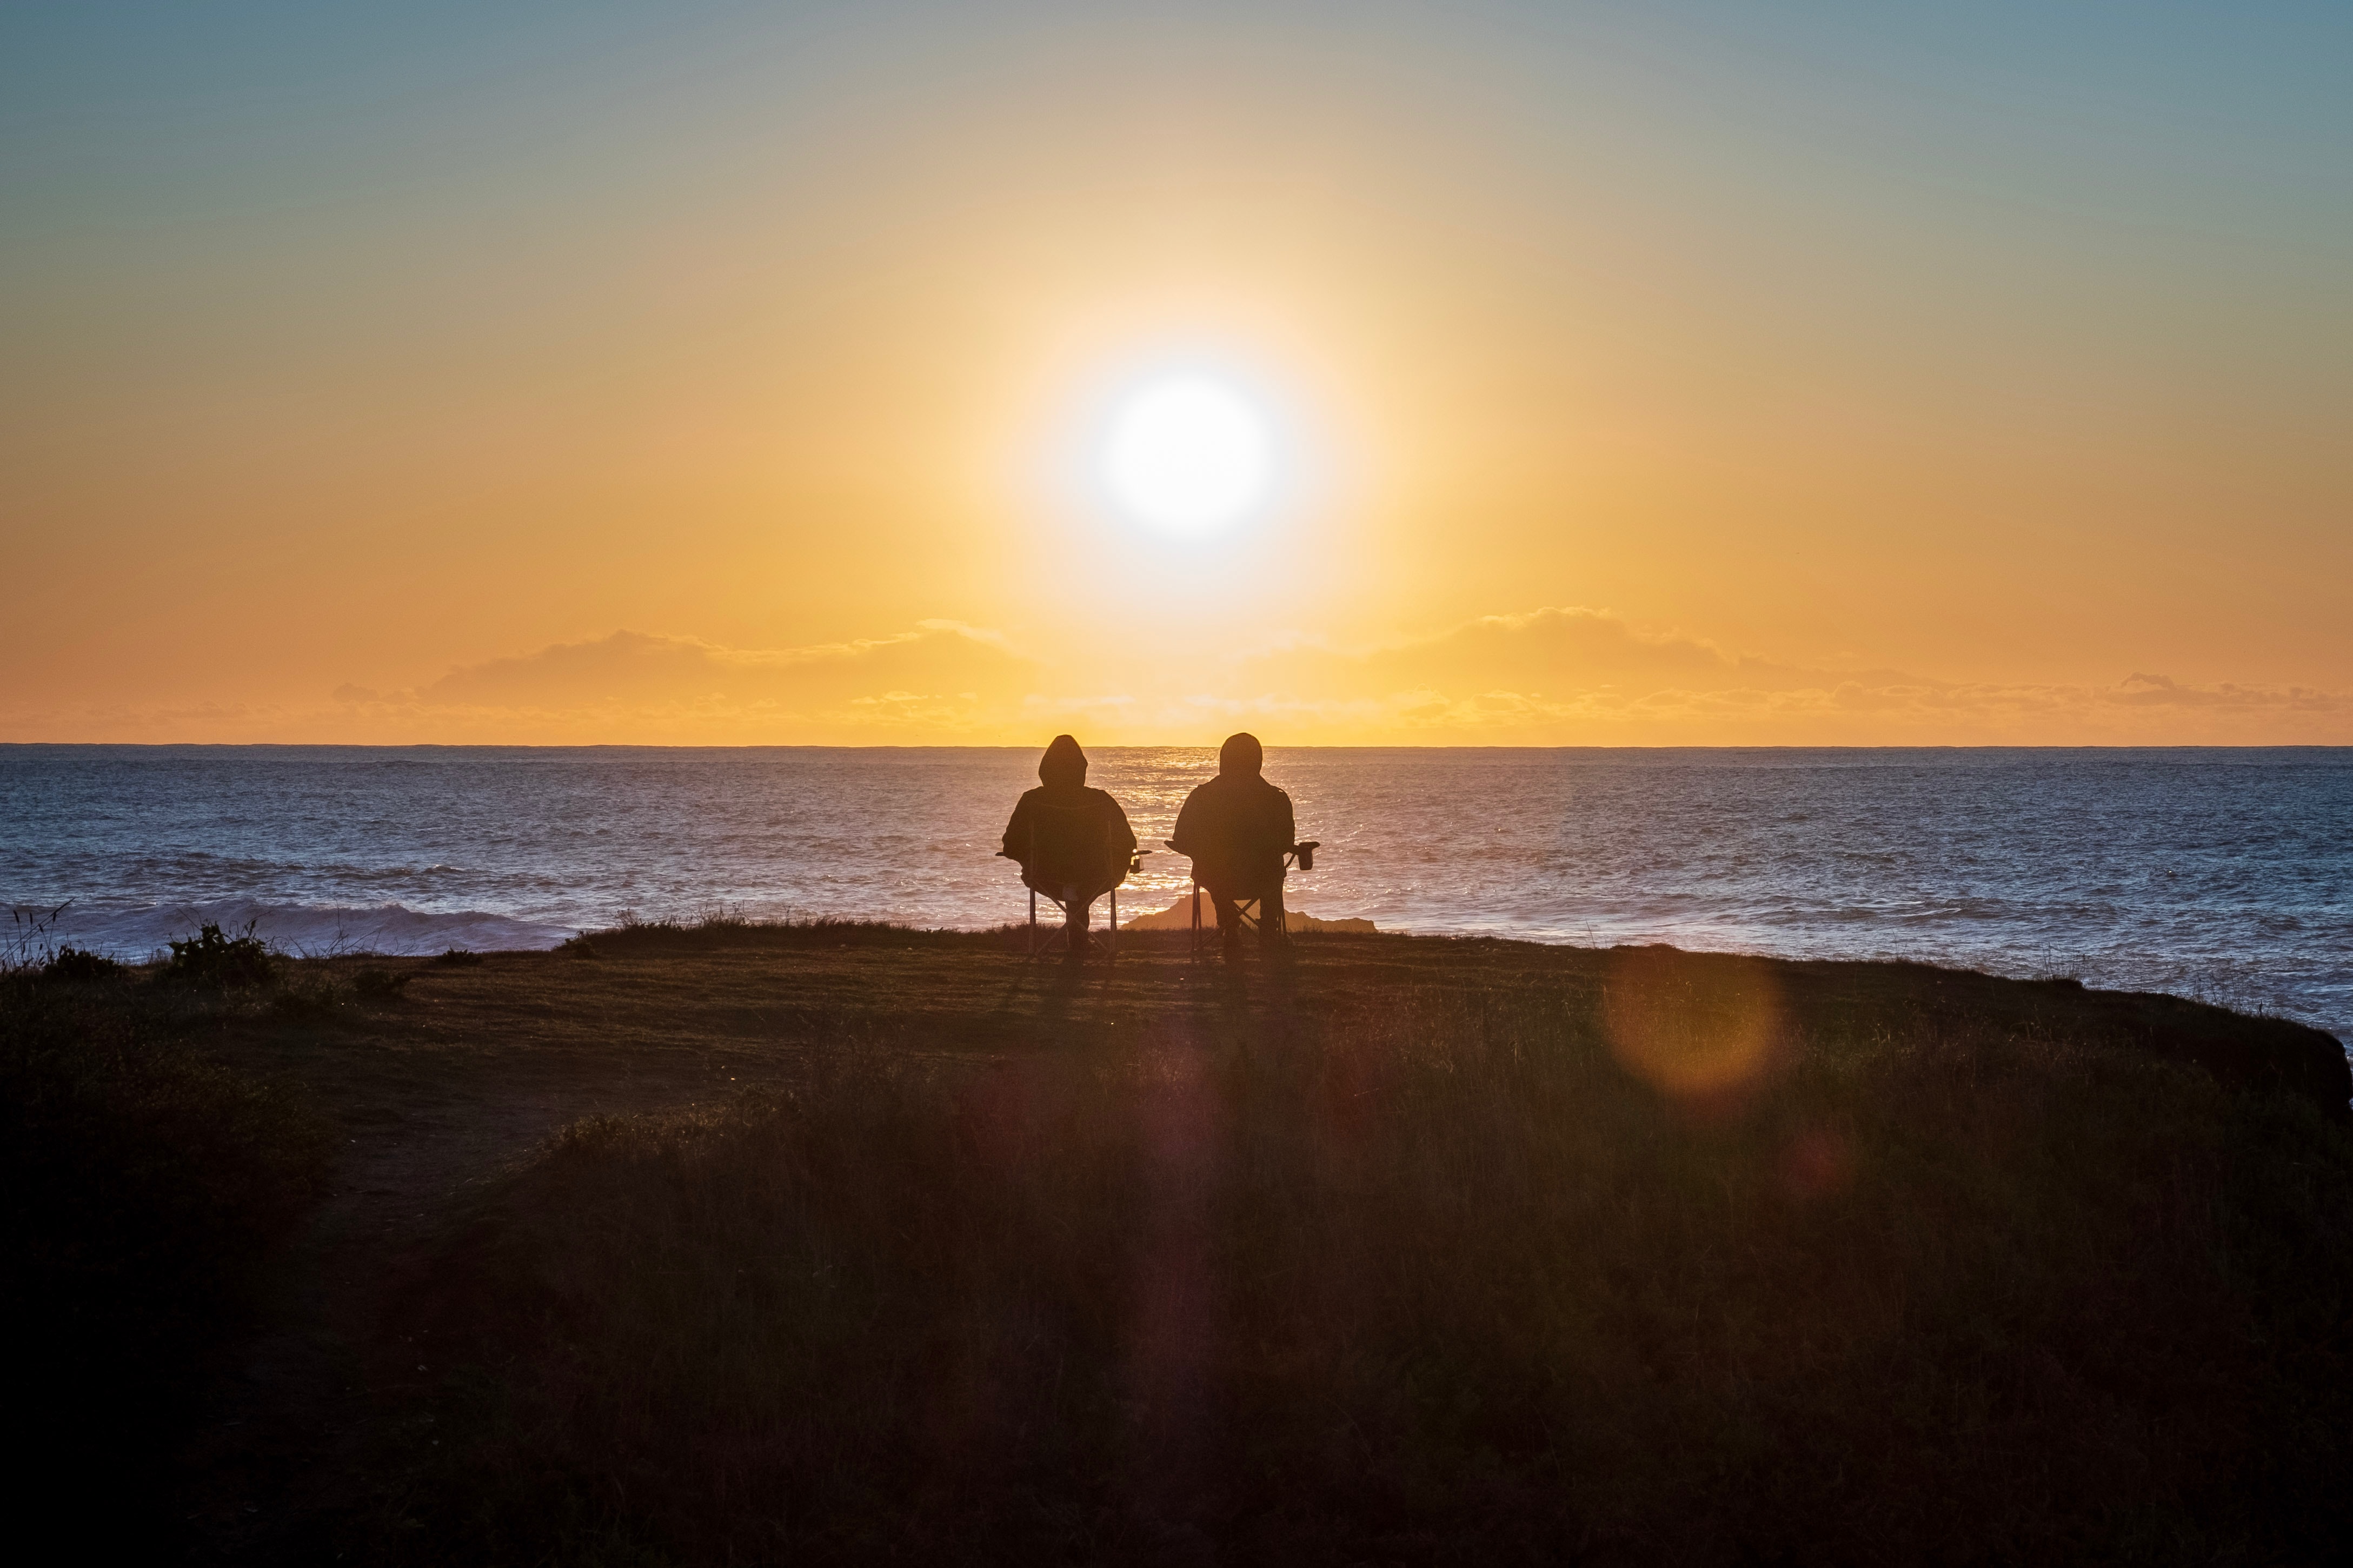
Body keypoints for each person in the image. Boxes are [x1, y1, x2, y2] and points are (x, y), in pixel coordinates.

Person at [1000, 735, 1138, 957]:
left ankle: (1071, 903)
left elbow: (1011, 845)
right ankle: (1079, 939)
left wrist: (1028, 859)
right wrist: (1122, 862)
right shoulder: (1101, 801)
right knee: (1083, 889)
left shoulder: (1032, 801)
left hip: (1045, 876)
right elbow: (1127, 842)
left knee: (1072, 888)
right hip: (1096, 874)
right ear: (1082, 768)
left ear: (1045, 768)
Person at [1169, 731, 1295, 957]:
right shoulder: (1276, 798)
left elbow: (1182, 840)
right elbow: (1287, 842)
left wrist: (1200, 852)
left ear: (1223, 760)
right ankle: (1268, 928)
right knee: (1275, 871)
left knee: (1216, 873)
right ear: (1258, 762)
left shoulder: (1202, 797)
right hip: (1263, 878)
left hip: (1217, 878)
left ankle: (1229, 928)